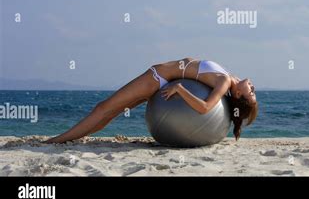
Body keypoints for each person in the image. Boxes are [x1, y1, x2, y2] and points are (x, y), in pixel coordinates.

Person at [46, 58, 258, 143]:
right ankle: (70, 138)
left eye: (251, 93)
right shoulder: (228, 78)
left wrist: (180, 89)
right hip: (160, 82)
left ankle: (57, 141)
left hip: (158, 80)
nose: (253, 88)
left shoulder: (223, 82)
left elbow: (205, 108)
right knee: (109, 112)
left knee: (104, 108)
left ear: (238, 95)